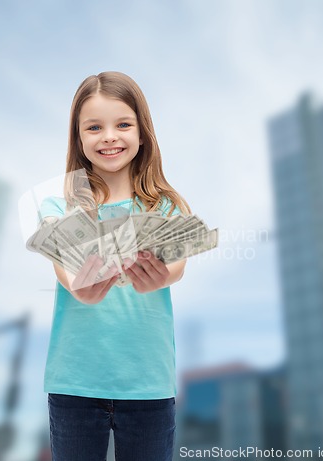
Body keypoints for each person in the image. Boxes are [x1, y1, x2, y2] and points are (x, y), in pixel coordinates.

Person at [40, 71, 191, 461]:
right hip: (75, 384)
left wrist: (158, 277)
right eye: (94, 127)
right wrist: (80, 287)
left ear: (143, 134)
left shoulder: (165, 207)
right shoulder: (59, 209)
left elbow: (177, 265)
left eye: (123, 124)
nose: (109, 136)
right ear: (79, 138)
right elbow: (65, 272)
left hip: (149, 386)